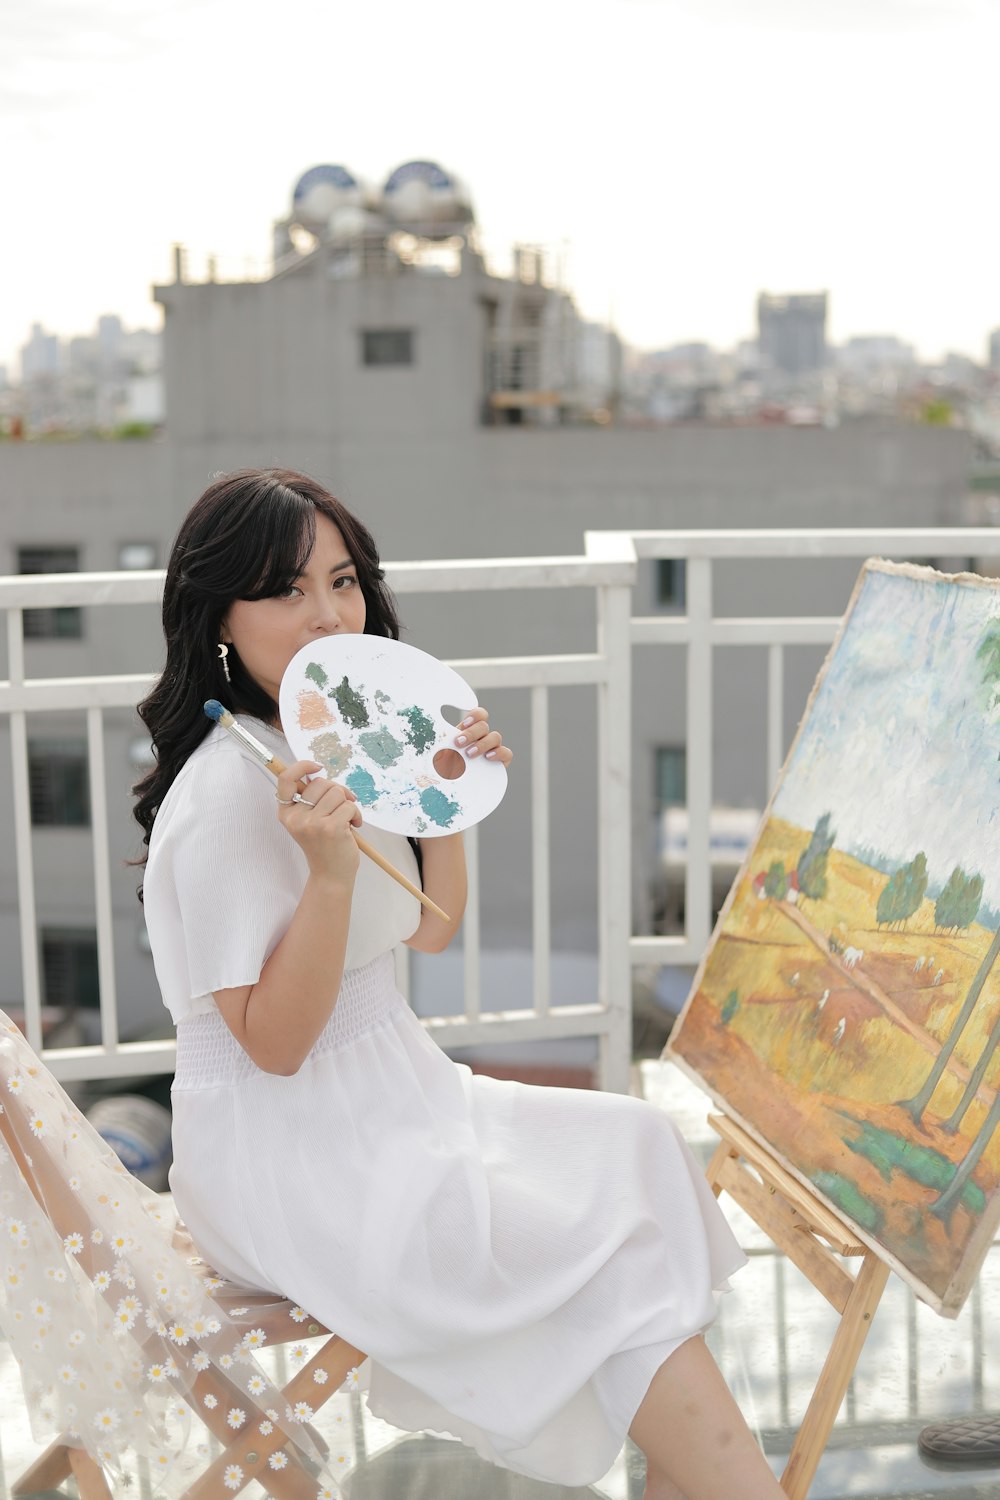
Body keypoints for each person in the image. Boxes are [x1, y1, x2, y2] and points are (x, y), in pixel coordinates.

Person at [135, 467, 785, 1500]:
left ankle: (706, 1480)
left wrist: (448, 795)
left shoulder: (324, 742)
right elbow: (273, 1044)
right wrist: (330, 878)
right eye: (284, 590)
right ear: (217, 615)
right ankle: (731, 1483)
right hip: (289, 1153)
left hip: (391, 1100)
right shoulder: (226, 793)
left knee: (639, 1145)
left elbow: (432, 930)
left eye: (341, 583)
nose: (325, 615)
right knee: (592, 1239)